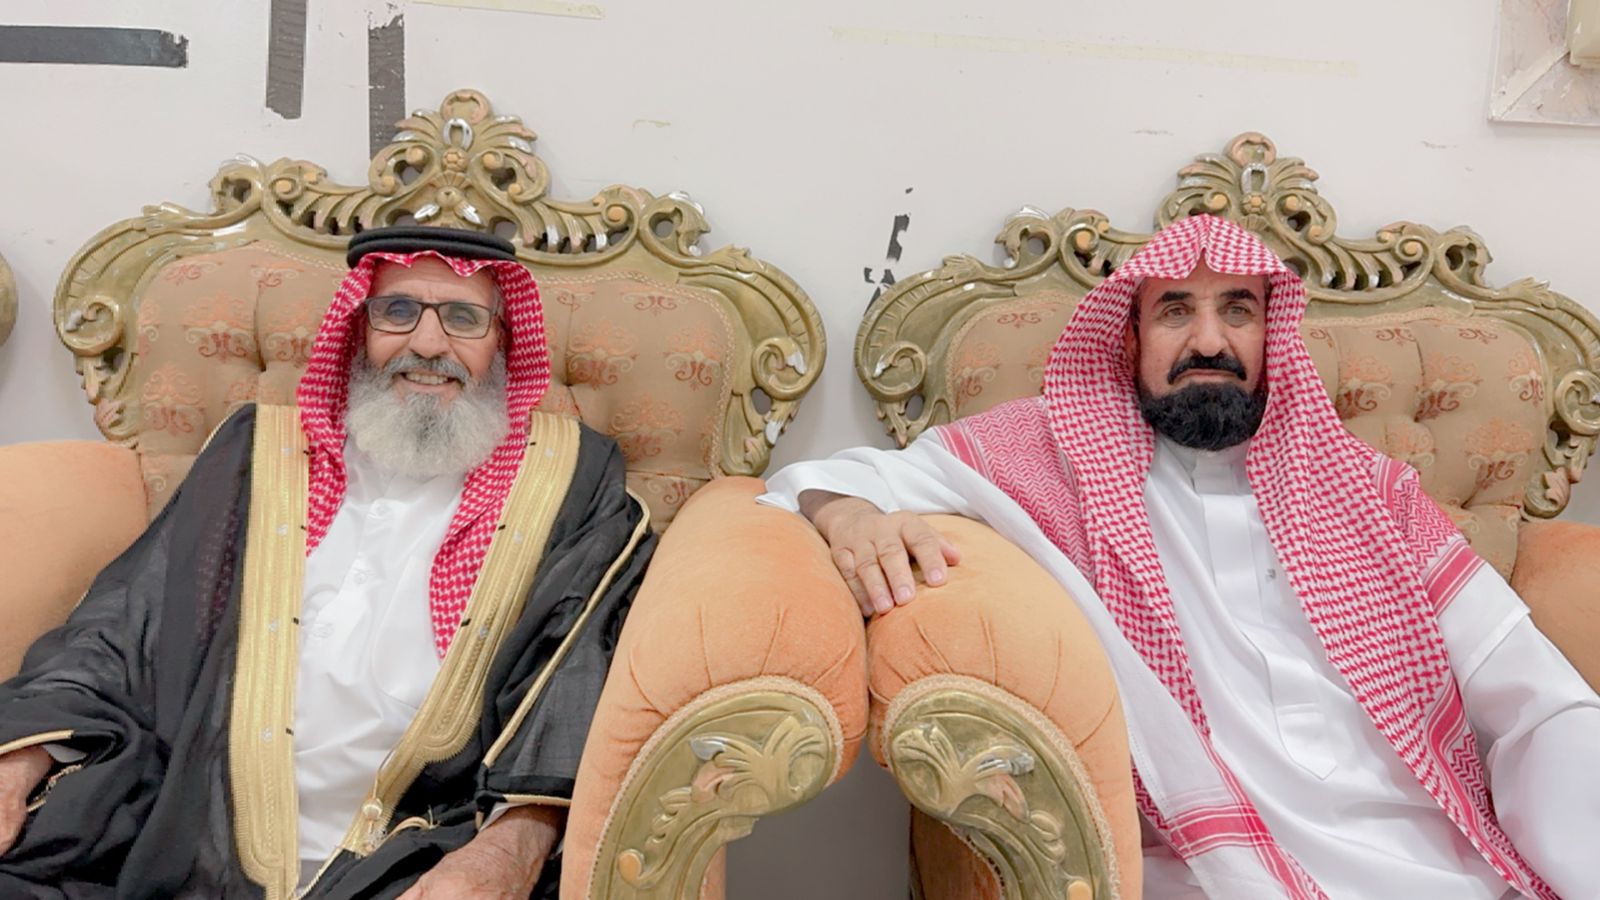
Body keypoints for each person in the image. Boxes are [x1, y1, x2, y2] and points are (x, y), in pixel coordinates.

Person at [762, 215, 1600, 898]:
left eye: (1237, 310)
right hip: (1209, 868)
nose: (1209, 340)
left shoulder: (1370, 492)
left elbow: (1538, 699)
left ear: (1271, 335)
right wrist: (850, 516)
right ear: (1131, 338)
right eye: (1175, 312)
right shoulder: (1048, 458)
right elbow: (823, 479)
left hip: (1433, 857)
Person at [0, 226, 653, 899]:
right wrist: (20, 761)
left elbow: (574, 677)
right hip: (192, 825)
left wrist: (509, 847)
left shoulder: (569, 484)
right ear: (358, 329)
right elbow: (127, 625)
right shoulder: (258, 452)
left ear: (503, 342)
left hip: (415, 851)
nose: (429, 344)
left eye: (463, 318)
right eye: (397, 312)